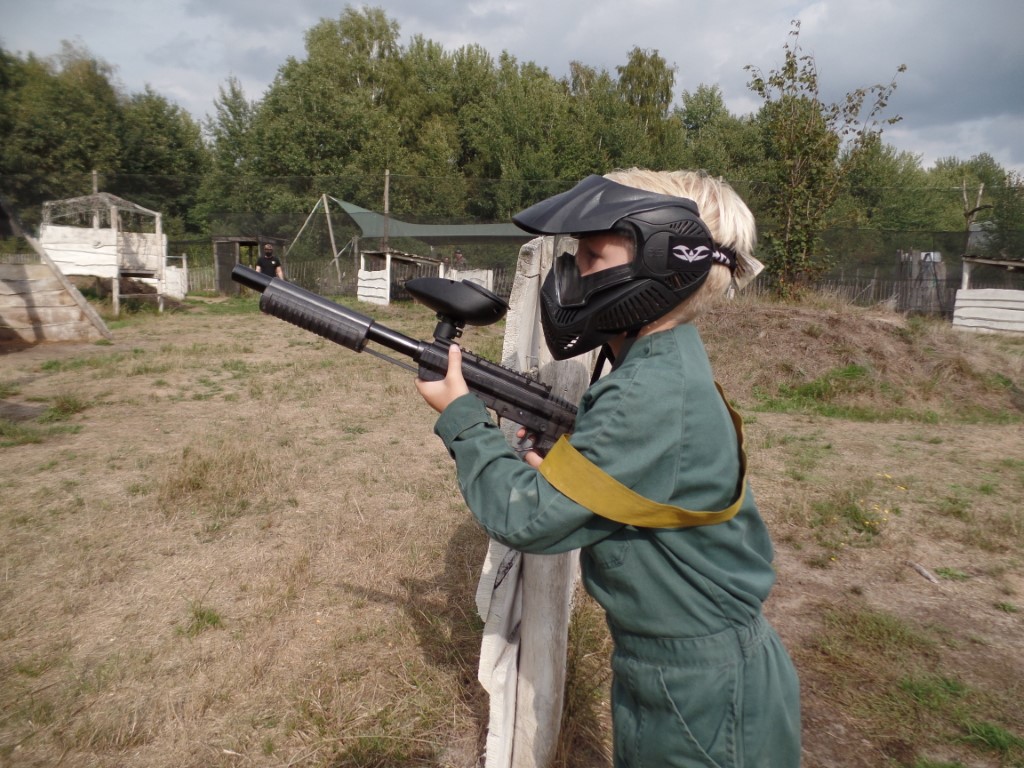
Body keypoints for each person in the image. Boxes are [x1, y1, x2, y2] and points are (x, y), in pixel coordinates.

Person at [415, 168, 801, 767]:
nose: (571, 272)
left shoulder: (649, 388)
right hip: (686, 673)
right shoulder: (656, 364)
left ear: (662, 259)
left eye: (592, 254)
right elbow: (629, 487)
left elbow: (526, 517)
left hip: (701, 692)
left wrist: (462, 417)